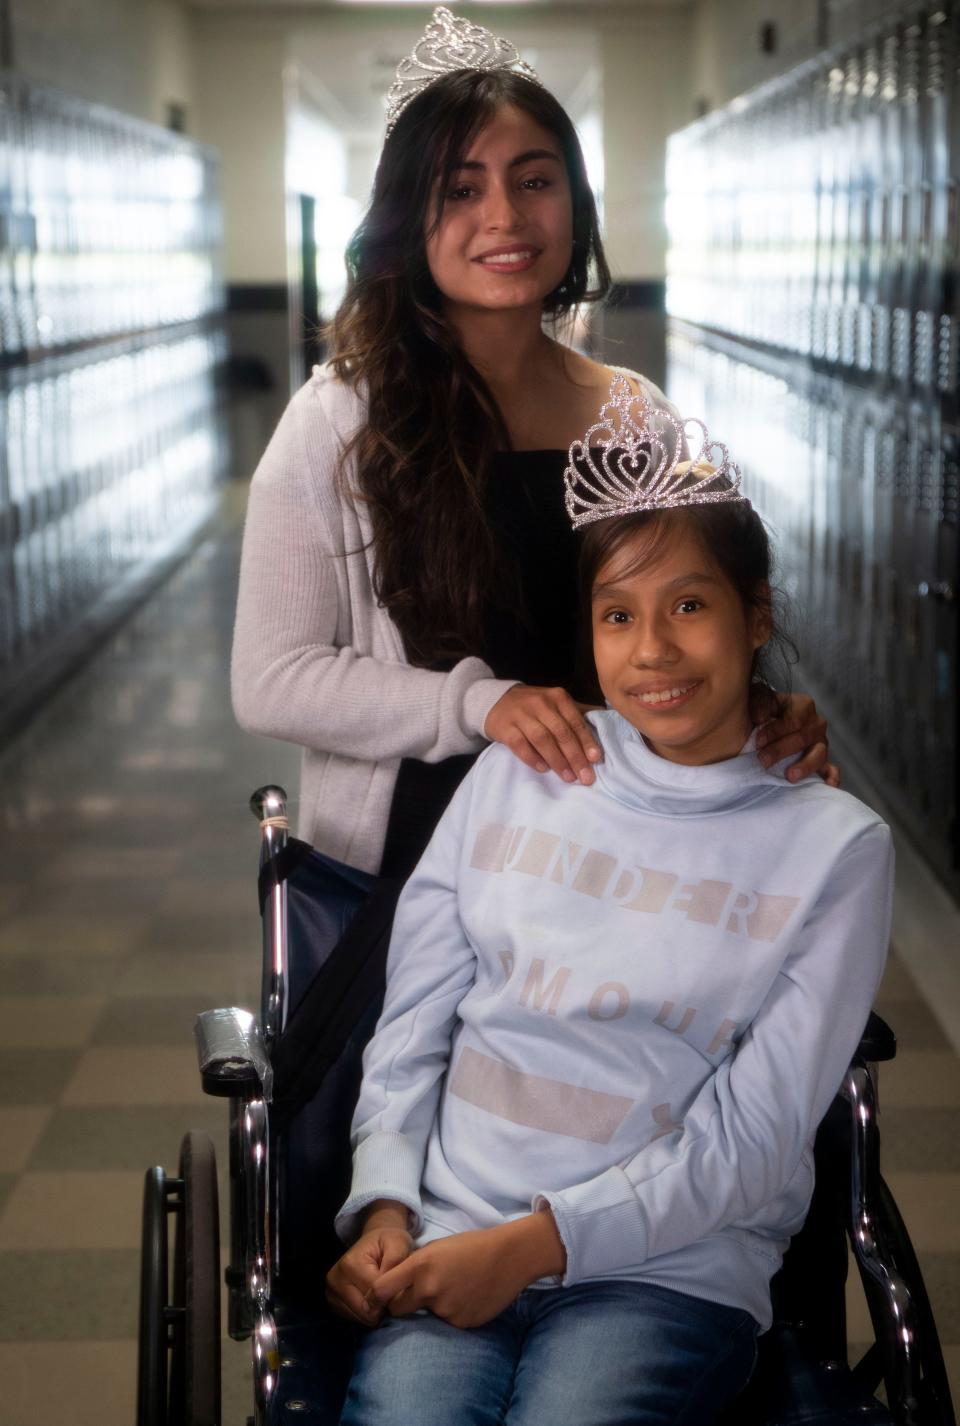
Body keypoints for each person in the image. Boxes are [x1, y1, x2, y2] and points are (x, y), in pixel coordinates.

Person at [325, 375, 893, 1426]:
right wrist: (388, 1203)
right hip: (452, 1228)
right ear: (586, 633)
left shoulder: (835, 850)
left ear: (754, 615)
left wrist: (538, 1244)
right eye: (617, 614)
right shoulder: (524, 771)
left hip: (670, 1272)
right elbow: (414, 1022)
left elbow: (756, 1139)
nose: (655, 650)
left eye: (690, 604)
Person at [231, 6, 835, 893]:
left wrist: (746, 706)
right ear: (410, 218)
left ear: (575, 202)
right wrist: (480, 703)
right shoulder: (340, 421)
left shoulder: (637, 417)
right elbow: (273, 679)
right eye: (461, 189)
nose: (505, 217)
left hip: (620, 852)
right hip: (420, 856)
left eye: (535, 180)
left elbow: (678, 619)